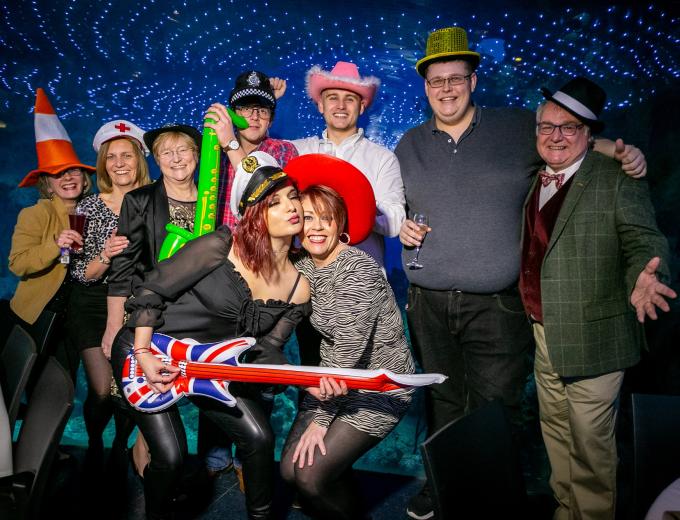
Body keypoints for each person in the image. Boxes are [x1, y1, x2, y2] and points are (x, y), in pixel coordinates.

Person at [395, 26, 649, 520]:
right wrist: (394, 225)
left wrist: (621, 151)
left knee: (495, 408)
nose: (446, 89)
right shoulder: (408, 143)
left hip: (499, 304)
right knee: (443, 399)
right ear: (425, 86)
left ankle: (490, 498)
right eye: (436, 81)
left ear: (473, 80)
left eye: (456, 78)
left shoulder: (517, 128)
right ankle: (444, 486)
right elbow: (387, 204)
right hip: (428, 301)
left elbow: (571, 144)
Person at [110, 151, 310, 520]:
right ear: (255, 215)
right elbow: (152, 289)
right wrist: (143, 353)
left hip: (207, 367)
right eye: (275, 201)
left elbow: (268, 350)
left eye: (293, 196)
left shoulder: (299, 289)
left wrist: (301, 381)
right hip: (149, 349)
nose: (291, 206)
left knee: (260, 437)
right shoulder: (221, 246)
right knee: (170, 458)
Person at [519, 76, 675, 519]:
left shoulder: (615, 177)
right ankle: (566, 511)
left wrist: (649, 276)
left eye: (569, 127)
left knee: (590, 446)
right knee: (556, 433)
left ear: (590, 135)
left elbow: (646, 242)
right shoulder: (537, 177)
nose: (556, 136)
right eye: (547, 126)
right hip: (544, 334)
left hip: (595, 338)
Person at [281, 157, 415, 520]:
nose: (317, 228)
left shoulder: (358, 268)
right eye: (308, 218)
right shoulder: (304, 265)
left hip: (377, 385)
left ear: (341, 223)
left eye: (326, 218)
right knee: (287, 471)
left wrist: (321, 421)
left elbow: (347, 352)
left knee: (308, 476)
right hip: (334, 380)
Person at [105, 123, 201, 476]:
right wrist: (114, 326)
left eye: (183, 150)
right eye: (166, 152)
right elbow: (122, 270)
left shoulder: (214, 200)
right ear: (157, 160)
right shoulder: (140, 201)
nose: (176, 159)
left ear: (197, 155)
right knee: (151, 405)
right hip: (151, 321)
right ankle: (151, 484)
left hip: (200, 321)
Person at [68, 120, 150, 473]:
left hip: (138, 304)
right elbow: (77, 273)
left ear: (139, 160)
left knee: (129, 391)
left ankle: (121, 443)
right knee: (102, 389)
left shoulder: (155, 200)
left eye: (126, 155)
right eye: (111, 157)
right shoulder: (84, 208)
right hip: (91, 303)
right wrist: (105, 254)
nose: (119, 163)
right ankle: (96, 443)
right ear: (102, 164)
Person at [9, 88, 95, 381]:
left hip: (76, 318)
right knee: (30, 384)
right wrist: (55, 245)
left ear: (83, 179)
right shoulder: (36, 214)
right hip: (38, 314)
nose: (67, 178)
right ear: (47, 183)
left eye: (72, 171)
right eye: (58, 174)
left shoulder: (93, 210)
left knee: (64, 384)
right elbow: (18, 264)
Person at [291, 60, 404, 269]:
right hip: (304, 276)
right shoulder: (295, 151)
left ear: (361, 107)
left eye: (350, 99)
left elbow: (395, 222)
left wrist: (356, 205)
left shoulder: (382, 158)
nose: (341, 106)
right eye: (333, 98)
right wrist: (266, 101)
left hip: (361, 282)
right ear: (321, 105)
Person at [212, 70, 298, 229]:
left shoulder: (283, 150)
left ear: (270, 121)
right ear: (233, 114)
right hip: (219, 246)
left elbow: (262, 190)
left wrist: (231, 144)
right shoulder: (215, 152)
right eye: (246, 109)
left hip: (261, 247)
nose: (254, 117)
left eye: (263, 111)